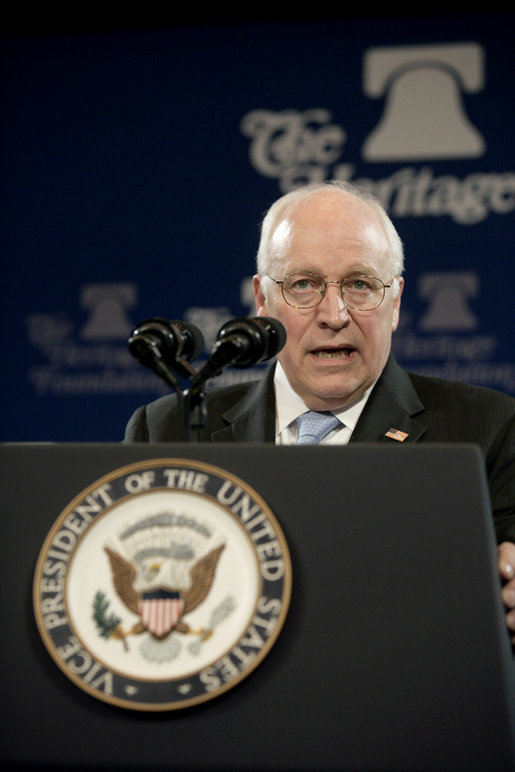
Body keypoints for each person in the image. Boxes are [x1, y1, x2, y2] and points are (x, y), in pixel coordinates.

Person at [125, 180, 515, 640]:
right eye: (304, 284)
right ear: (262, 299)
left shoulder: (488, 427)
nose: (334, 314)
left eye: (360, 285)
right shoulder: (168, 428)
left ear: (395, 302)